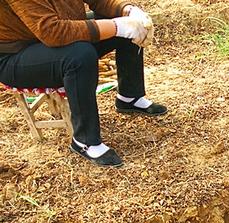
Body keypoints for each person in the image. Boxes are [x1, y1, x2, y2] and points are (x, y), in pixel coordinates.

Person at [0, 0, 167, 167]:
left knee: (124, 21)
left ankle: (129, 97)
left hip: (51, 33)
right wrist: (118, 26)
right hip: (16, 54)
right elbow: (52, 31)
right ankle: (84, 140)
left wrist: (128, 11)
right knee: (79, 55)